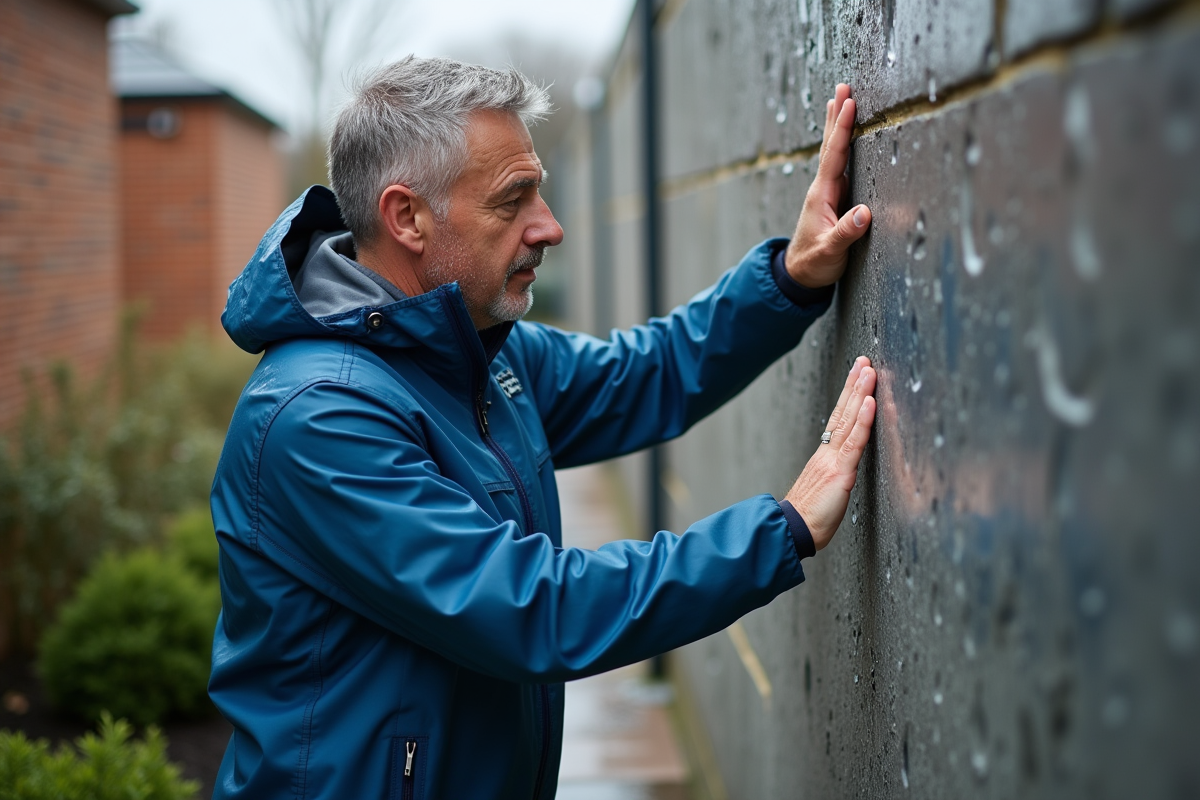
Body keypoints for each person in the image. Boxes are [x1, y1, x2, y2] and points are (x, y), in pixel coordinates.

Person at [209, 56, 877, 800]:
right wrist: (777, 531)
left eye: (541, 192)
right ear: (407, 218)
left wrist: (791, 277)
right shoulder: (318, 417)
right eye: (512, 201)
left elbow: (645, 374)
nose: (549, 227)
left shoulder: (474, 348)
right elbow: (530, 608)